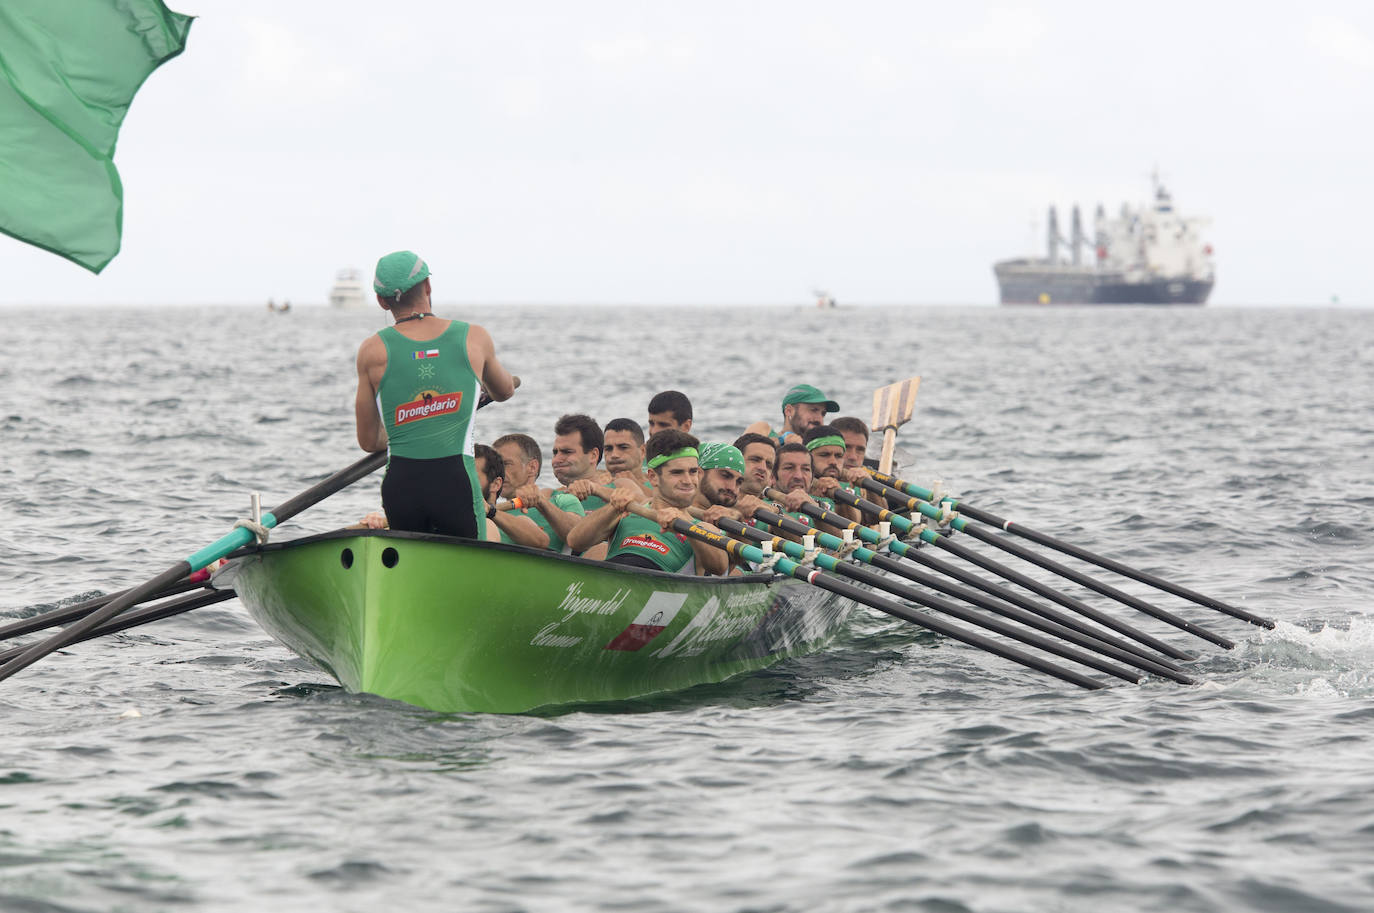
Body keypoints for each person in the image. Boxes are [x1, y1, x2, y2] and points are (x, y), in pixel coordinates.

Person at [354, 250, 517, 538]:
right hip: (455, 481)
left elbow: (369, 441)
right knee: (467, 565)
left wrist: (410, 426)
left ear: (381, 301)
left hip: (402, 483)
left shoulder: (372, 350)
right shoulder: (474, 337)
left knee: (415, 568)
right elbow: (504, 391)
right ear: (428, 286)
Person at [566, 430, 728, 576]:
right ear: (653, 477)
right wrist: (612, 507)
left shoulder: (704, 529)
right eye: (677, 472)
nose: (688, 481)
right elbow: (576, 542)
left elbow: (719, 567)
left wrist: (685, 524)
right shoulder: (625, 514)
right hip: (610, 588)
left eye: (692, 472)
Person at [492, 432, 585, 553]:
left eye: (506, 464)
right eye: (494, 466)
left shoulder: (562, 500)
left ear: (532, 467)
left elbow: (578, 538)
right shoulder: (490, 507)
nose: (498, 472)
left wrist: (541, 502)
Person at [743, 384, 839, 445]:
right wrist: (781, 441)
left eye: (823, 414)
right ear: (789, 411)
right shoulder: (763, 429)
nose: (819, 419)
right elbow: (739, 453)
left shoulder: (819, 448)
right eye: (813, 410)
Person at [602, 417, 649, 488]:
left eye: (623, 447)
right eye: (608, 449)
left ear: (642, 451)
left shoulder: (661, 488)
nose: (614, 455)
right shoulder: (589, 490)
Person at [732, 432, 777, 498]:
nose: (763, 468)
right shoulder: (712, 500)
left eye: (769, 465)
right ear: (735, 461)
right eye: (755, 460)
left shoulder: (777, 507)